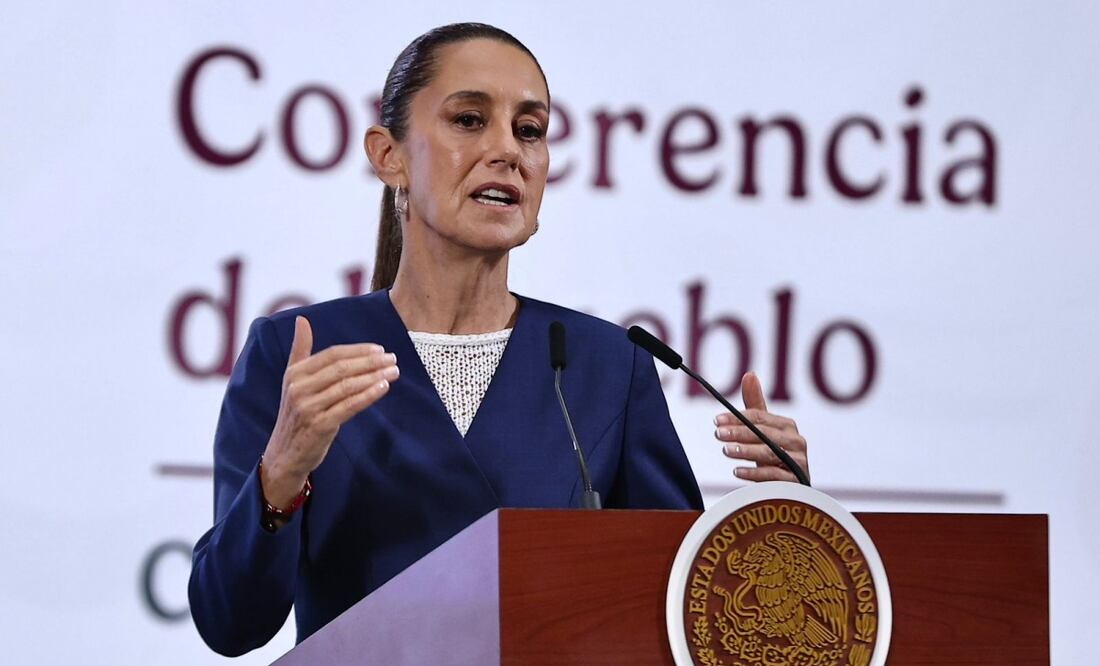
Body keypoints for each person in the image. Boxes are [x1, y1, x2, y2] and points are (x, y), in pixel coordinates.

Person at [187, 22, 810, 657]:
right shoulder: (300, 351)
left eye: (529, 130)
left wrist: (783, 525)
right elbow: (230, 624)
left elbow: (678, 611)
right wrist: (282, 474)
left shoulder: (606, 365)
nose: (507, 150)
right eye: (468, 120)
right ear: (388, 155)